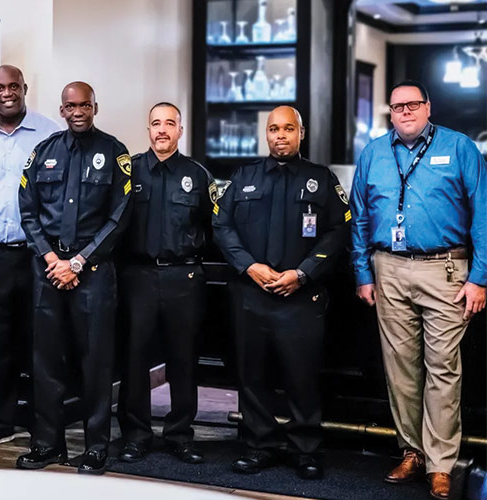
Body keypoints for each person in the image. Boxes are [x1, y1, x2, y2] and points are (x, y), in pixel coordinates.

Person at [350, 80, 485, 500]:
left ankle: (441, 463)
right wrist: (362, 273)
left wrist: (479, 277)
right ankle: (412, 451)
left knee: (443, 368)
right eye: (397, 106)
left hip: (445, 269)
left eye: (413, 104)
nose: (405, 112)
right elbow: (358, 218)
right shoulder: (373, 152)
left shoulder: (459, 147)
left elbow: (483, 213)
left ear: (428, 107)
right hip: (388, 268)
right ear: (390, 112)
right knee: (401, 370)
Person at [212, 106, 350, 480]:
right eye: (274, 129)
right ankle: (259, 445)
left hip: (300, 297)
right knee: (251, 375)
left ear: (301, 133)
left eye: (288, 128)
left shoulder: (321, 180)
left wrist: (303, 273)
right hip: (251, 295)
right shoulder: (244, 177)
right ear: (267, 134)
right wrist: (250, 266)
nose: (280, 135)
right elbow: (221, 226)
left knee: (301, 377)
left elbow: (338, 233)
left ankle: (305, 449)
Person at [16, 81, 132, 475]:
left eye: (85, 105)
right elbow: (27, 210)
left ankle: (97, 447)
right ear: (62, 110)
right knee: (46, 360)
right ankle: (47, 445)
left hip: (94, 271)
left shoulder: (115, 153)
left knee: (95, 362)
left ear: (95, 107)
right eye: (71, 106)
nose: (78, 112)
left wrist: (79, 261)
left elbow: (120, 218)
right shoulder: (43, 152)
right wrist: (52, 258)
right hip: (48, 270)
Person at [0, 65, 62, 450]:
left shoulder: (51, 133)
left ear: (25, 88)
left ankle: (42, 423)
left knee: (41, 341)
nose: (7, 93)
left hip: (38, 256)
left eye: (13, 86)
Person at [116, 102, 214, 464]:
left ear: (180, 130)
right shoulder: (129, 172)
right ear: (147, 129)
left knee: (183, 358)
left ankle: (180, 435)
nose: (162, 130)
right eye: (155, 123)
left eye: (169, 123)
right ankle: (136, 435)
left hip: (183, 277)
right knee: (134, 359)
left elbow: (212, 227)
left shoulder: (198, 175)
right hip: (137, 276)